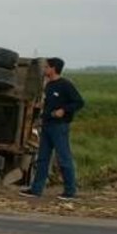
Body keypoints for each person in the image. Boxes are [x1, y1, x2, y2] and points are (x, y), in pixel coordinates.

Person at [21, 57, 85, 200]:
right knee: (42, 159)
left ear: (53, 69)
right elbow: (49, 103)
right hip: (47, 125)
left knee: (64, 158)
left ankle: (70, 191)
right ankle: (36, 189)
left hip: (59, 126)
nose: (44, 69)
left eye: (46, 67)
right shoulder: (49, 85)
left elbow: (79, 102)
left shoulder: (65, 85)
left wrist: (64, 110)